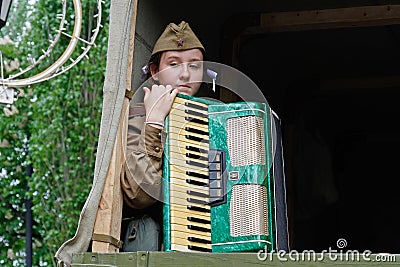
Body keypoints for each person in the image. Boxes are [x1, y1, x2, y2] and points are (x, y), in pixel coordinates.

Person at [120, 21, 208, 251]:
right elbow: (138, 195)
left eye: (195, 66)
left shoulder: (217, 118)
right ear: (154, 71)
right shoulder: (136, 116)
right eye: (173, 64)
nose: (186, 74)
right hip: (157, 245)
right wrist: (154, 123)